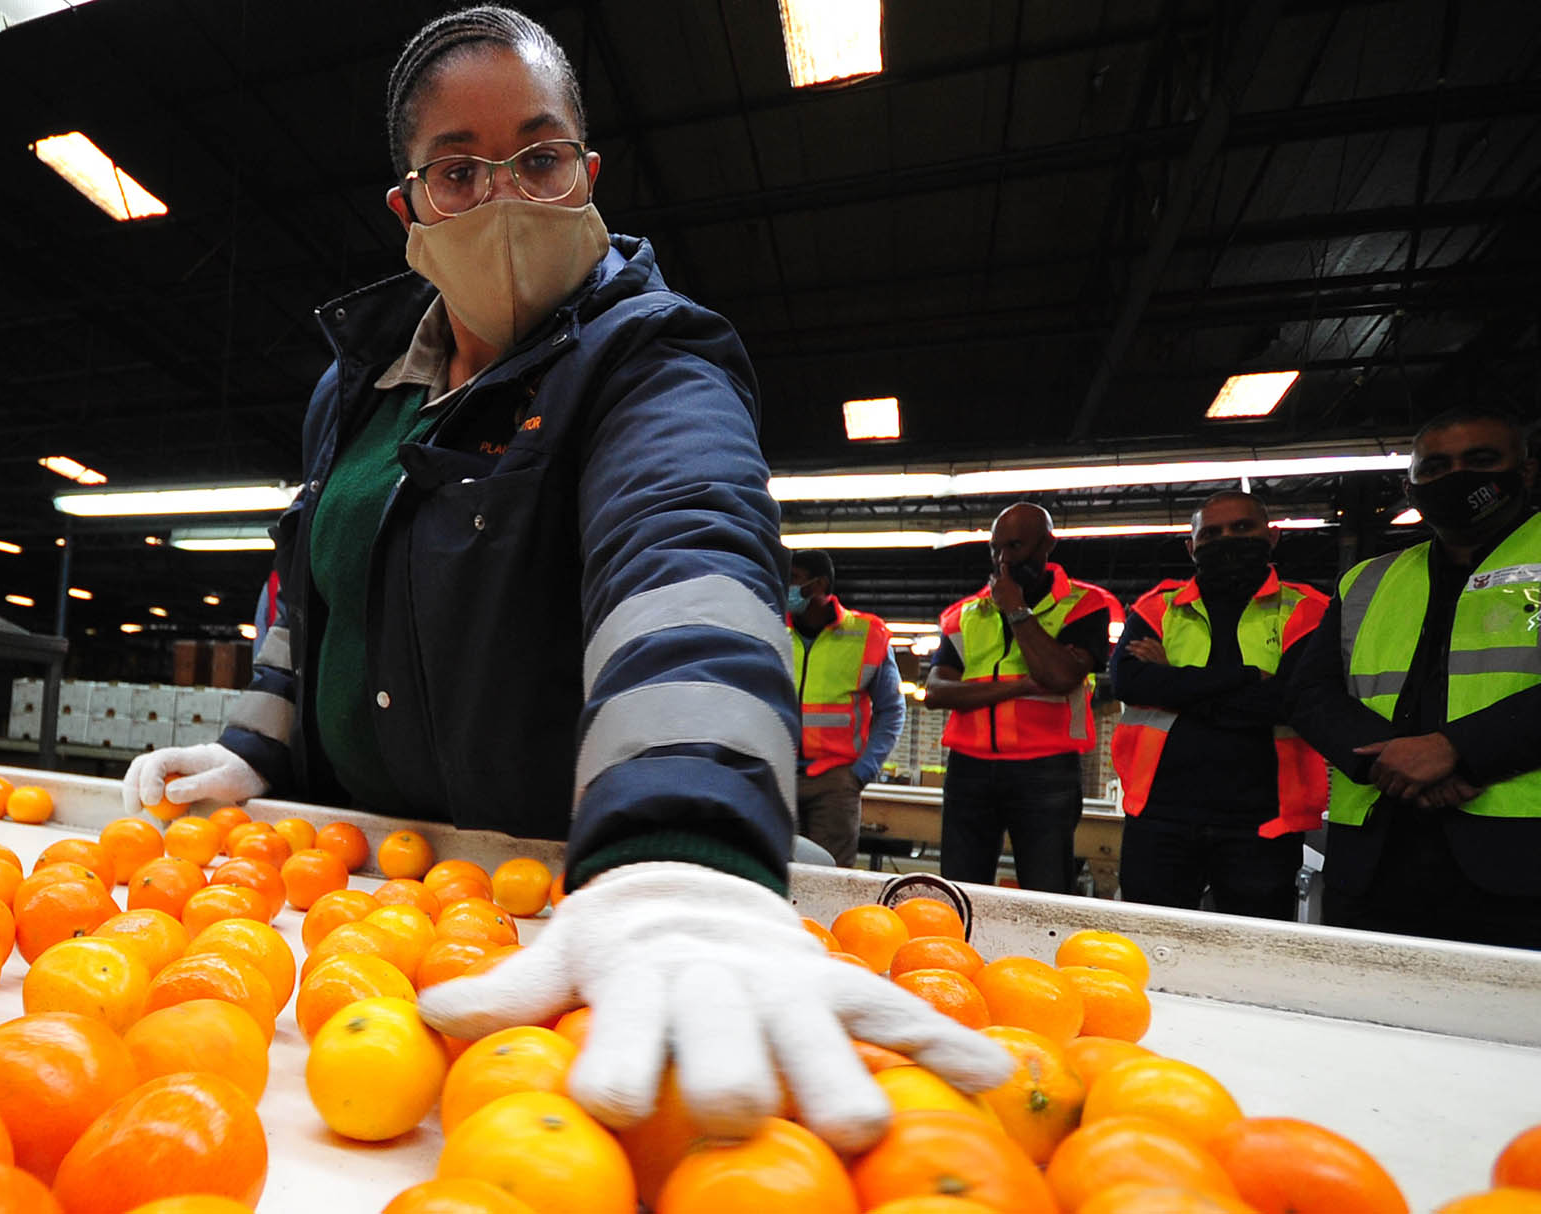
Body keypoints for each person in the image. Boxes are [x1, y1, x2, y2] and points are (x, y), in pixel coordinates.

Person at [121, 5, 1006, 1152]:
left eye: (537, 159)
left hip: (567, 919)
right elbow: (310, 582)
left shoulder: (649, 359)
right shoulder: (356, 391)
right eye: (456, 171)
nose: (501, 198)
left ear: (587, 173)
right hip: (338, 909)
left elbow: (682, 554)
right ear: (408, 204)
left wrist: (679, 852)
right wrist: (256, 742)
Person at [1290, 406, 1541, 948]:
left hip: (1521, 861)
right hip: (1376, 857)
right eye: (1435, 468)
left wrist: (1457, 748)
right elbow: (1310, 692)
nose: (1456, 478)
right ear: (1412, 487)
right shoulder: (1368, 579)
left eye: (1480, 461)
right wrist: (1391, 761)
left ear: (1525, 471)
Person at [1109, 492, 1330, 919]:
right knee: (1147, 942)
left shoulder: (1308, 610)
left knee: (1253, 954)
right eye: (1211, 533)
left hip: (1263, 820)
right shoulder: (1159, 607)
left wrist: (1174, 683)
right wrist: (1246, 678)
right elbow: (1130, 682)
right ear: (1191, 548)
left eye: (1242, 528)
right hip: (1158, 815)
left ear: (1272, 536)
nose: (1227, 539)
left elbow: (1290, 701)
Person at [923, 503, 1122, 892]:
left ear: (1048, 543)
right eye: (996, 550)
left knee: (1047, 889)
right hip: (969, 770)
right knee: (959, 888)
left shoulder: (1084, 605)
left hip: (1044, 771)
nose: (1004, 559)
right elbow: (936, 692)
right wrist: (1017, 687)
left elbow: (1059, 675)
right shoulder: (966, 613)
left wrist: (1016, 609)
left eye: (1015, 546)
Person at [787, 549, 904, 867]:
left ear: (819, 585)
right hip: (778, 776)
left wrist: (862, 772)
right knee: (775, 875)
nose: (785, 587)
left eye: (793, 579)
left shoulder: (867, 635)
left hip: (835, 781)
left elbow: (891, 710)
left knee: (831, 877)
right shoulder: (771, 630)